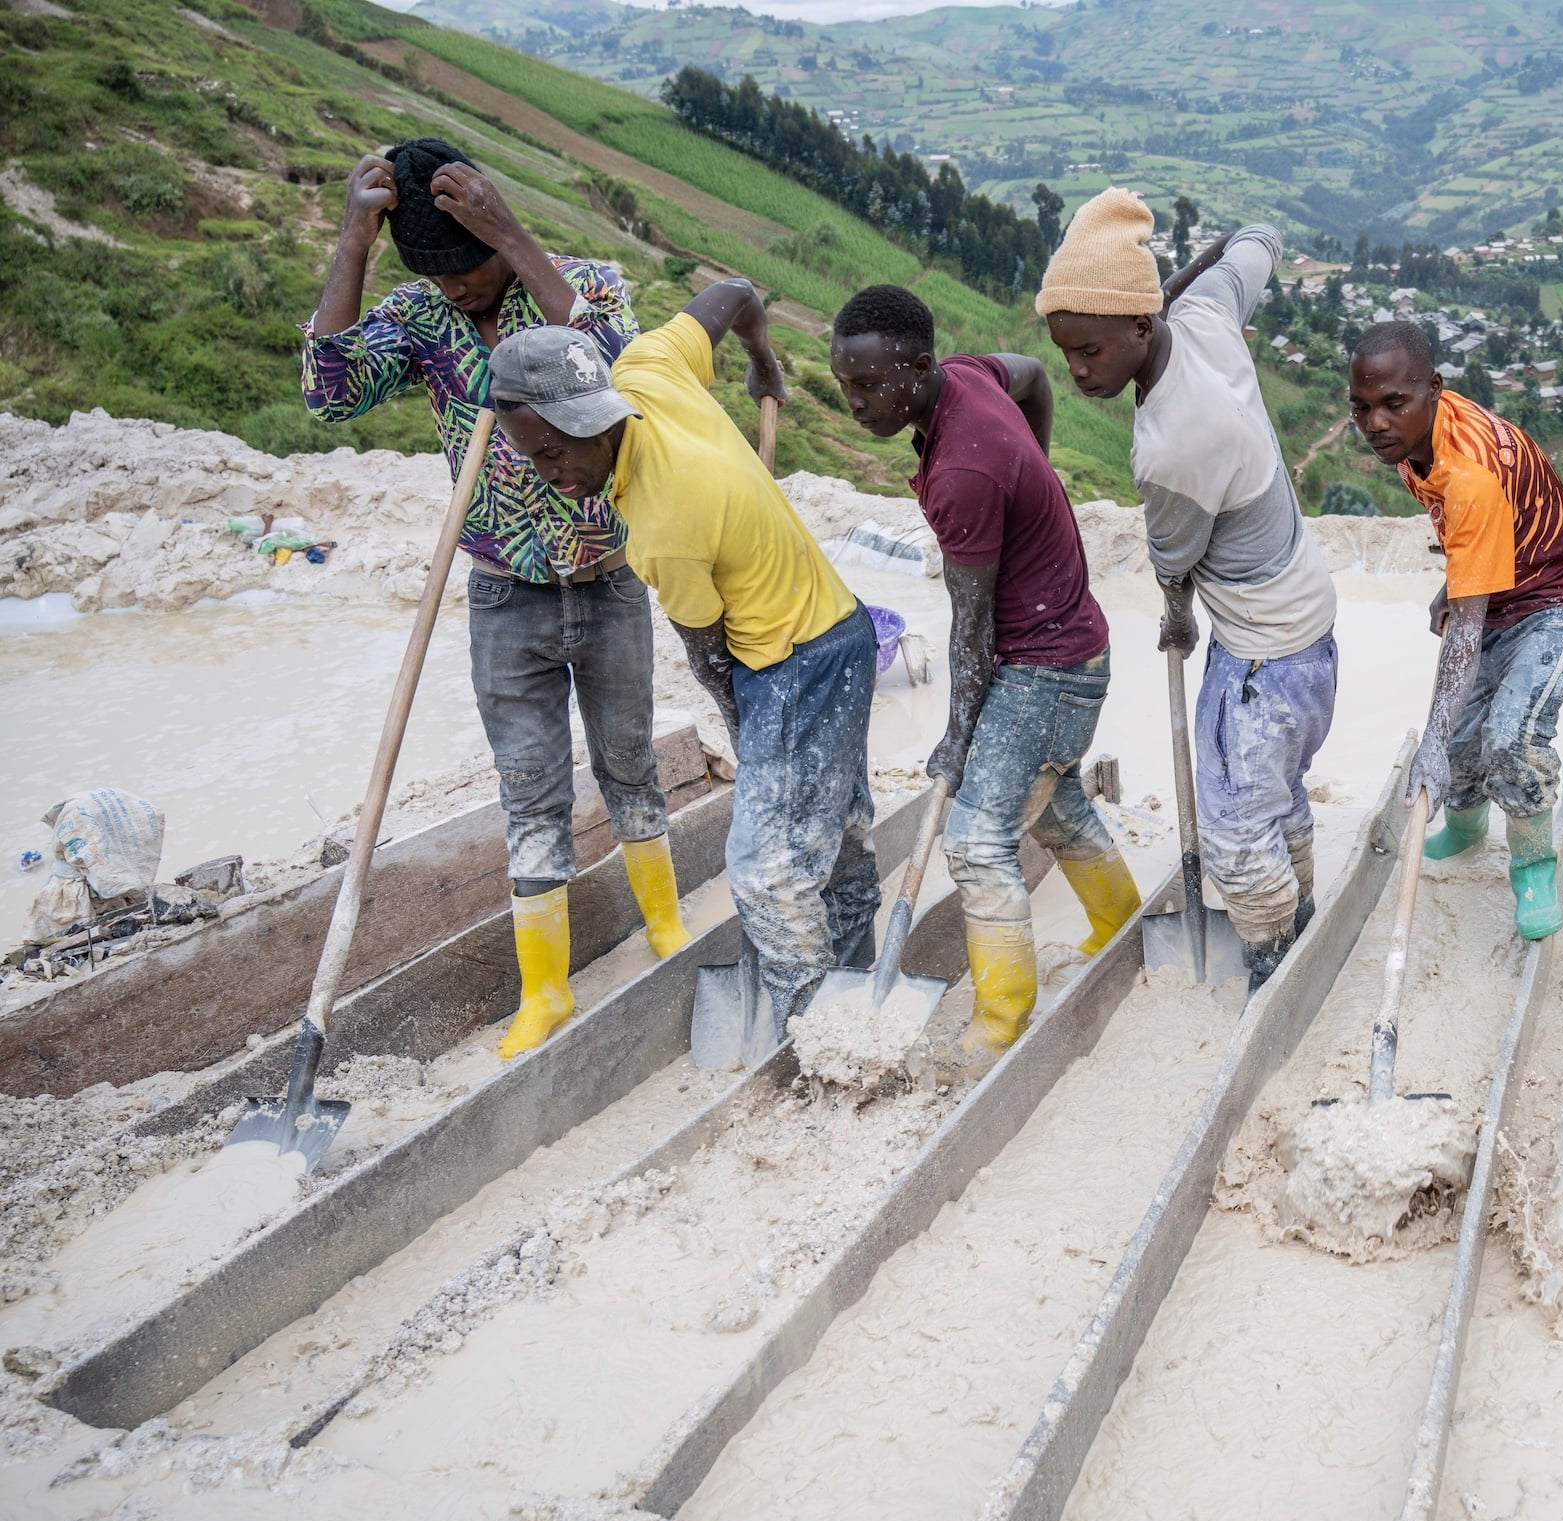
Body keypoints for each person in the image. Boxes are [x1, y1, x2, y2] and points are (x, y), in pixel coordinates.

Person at [303, 137, 683, 1061]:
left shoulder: (573, 282)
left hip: (606, 580)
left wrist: (512, 240)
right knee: (530, 790)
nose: (462, 287)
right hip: (505, 596)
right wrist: (353, 241)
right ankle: (544, 990)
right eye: (442, 273)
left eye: (469, 265)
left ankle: (668, 932)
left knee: (630, 760)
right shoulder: (422, 318)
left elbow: (623, 362)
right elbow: (328, 393)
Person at [486, 281, 881, 1032]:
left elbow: (711, 660)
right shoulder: (645, 365)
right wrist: (763, 360)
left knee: (766, 869)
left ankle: (819, 1037)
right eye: (531, 454)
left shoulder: (661, 523)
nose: (550, 472)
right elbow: (735, 294)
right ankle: (852, 974)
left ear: (594, 419)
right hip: (844, 631)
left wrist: (754, 744)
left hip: (794, 663)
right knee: (839, 833)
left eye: (555, 450)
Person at [829, 283, 1137, 1073]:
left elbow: (970, 632)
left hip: (1050, 669)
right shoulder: (965, 378)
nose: (855, 402)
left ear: (920, 366)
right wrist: (1033, 461)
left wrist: (955, 740)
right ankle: (1121, 921)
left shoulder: (964, 470)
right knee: (1050, 801)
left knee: (974, 838)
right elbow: (1031, 373)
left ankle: (1001, 1018)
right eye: (845, 383)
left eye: (869, 386)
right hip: (1068, 648)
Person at [1039, 192, 1338, 986]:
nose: (1077, 370)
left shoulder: (1174, 441)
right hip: (1309, 625)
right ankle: (1299, 906)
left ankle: (1273, 961)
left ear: (1140, 326)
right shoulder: (1202, 311)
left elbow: (1175, 563)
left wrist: (1176, 621)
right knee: (1271, 791)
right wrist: (1190, 277)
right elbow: (1259, 239)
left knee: (1234, 830)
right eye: (1066, 350)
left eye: (1090, 350)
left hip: (1260, 657)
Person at [1347, 322, 1563, 939]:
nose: (1376, 424)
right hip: (1505, 586)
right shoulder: (1415, 439)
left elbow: (1465, 634)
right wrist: (1456, 581)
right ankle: (1468, 830)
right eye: (1361, 409)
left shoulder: (1467, 472)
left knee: (1509, 733)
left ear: (1433, 390)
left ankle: (1532, 867)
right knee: (1464, 729)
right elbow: (1470, 532)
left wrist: (1430, 745)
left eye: (1393, 404)